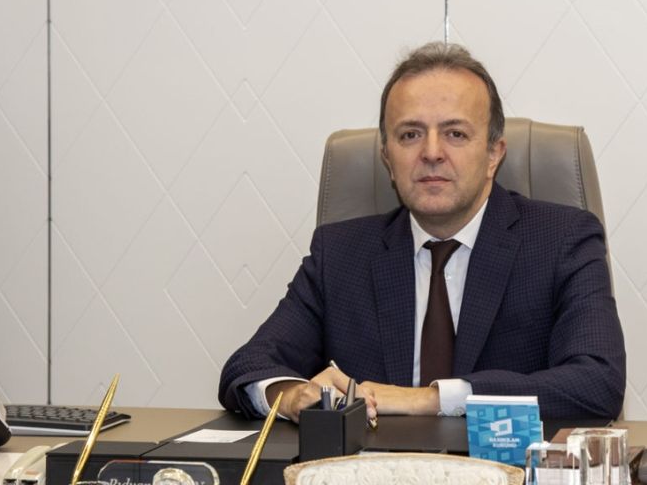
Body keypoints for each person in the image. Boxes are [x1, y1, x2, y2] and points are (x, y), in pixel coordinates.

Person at [218, 43, 625, 422]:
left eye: (455, 133)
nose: (431, 153)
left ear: (493, 154)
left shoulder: (563, 240)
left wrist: (429, 399)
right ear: (387, 158)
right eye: (410, 134)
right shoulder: (339, 254)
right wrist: (291, 396)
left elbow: (598, 383)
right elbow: (247, 368)